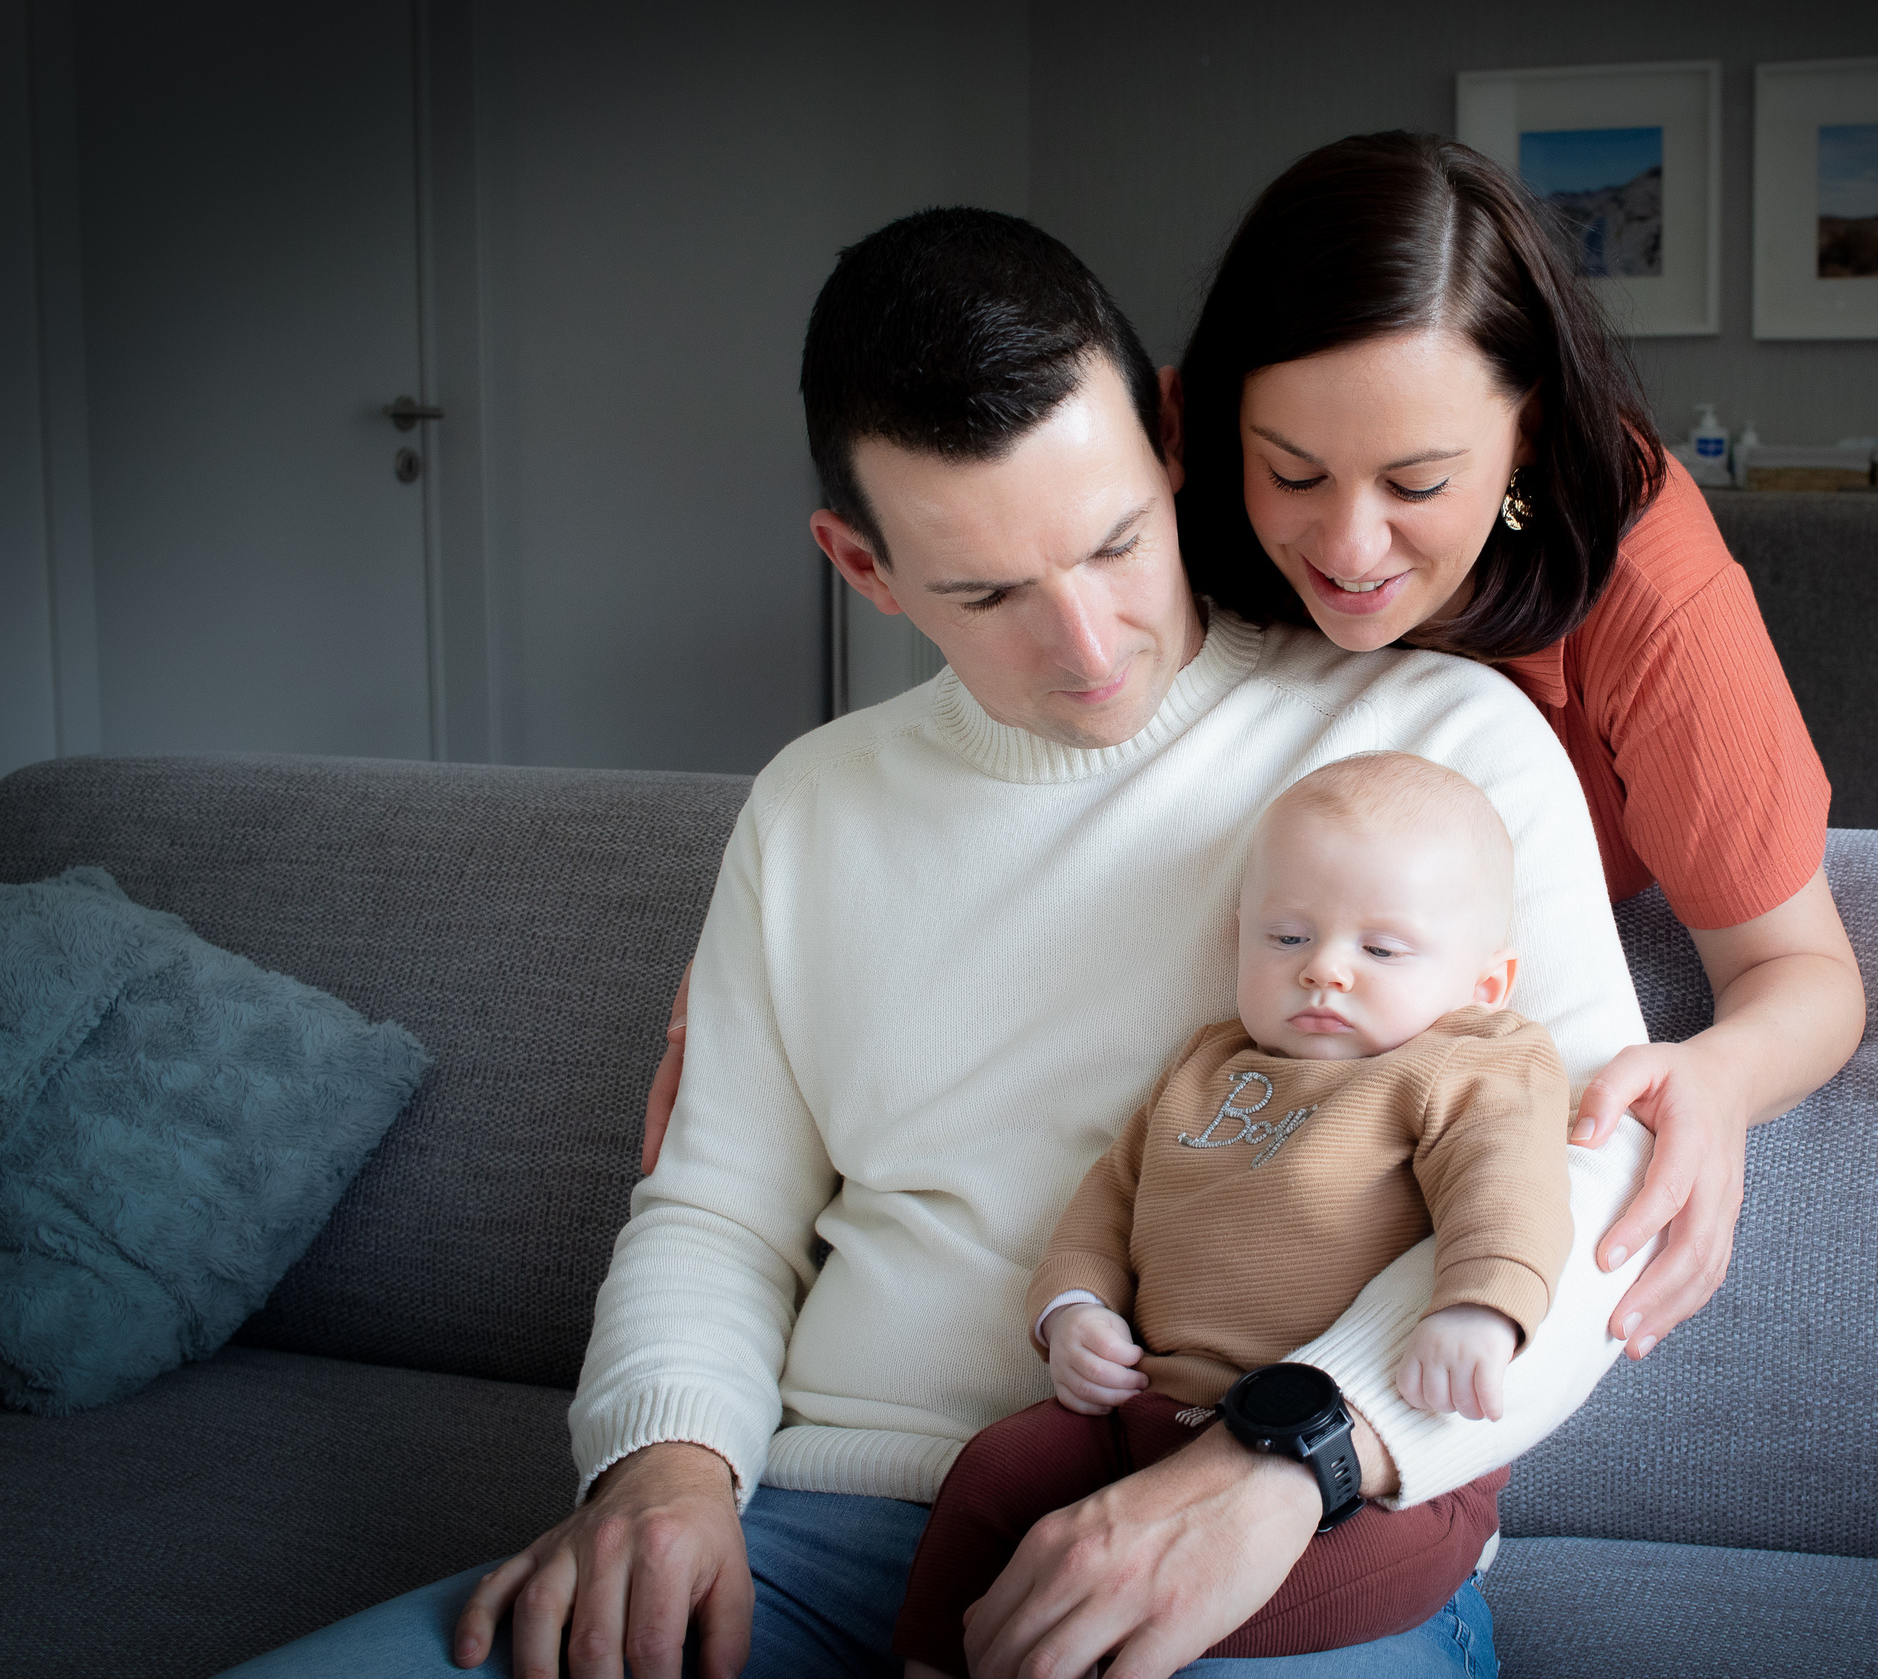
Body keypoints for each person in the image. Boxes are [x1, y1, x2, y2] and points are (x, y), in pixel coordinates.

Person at [224, 207, 1654, 1679]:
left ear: (1170, 453)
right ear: (863, 566)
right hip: (817, 1526)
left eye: (1117, 543)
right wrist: (666, 1460)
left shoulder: (1432, 742)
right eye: (987, 592)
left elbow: (1589, 1173)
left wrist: (1288, 1459)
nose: (1092, 647)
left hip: (1284, 1534)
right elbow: (717, 1208)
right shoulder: (814, 804)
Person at [646, 135, 1866, 1376]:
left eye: (1417, 480)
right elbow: (1002, 565)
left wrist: (1716, 1079)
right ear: (1203, 434)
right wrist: (771, 959)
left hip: (1437, 1086)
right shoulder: (1160, 459)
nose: (1348, 545)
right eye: (1291, 472)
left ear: (1528, 440)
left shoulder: (1640, 589)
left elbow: (1801, 970)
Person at [896, 752, 1570, 1678]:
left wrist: (1479, 1308)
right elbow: (1108, 1200)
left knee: (1212, 1610)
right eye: (1288, 938)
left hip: (1361, 1489)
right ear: (1238, 935)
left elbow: (1514, 1186)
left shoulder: (1469, 1062)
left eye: (1381, 949)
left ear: (1486, 983)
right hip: (1148, 1406)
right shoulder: (1209, 1065)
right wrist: (1074, 1309)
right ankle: (932, 1659)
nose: (1325, 971)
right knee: (993, 1471)